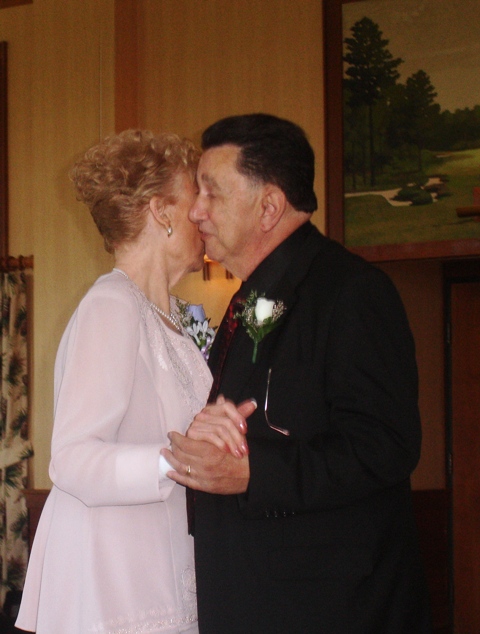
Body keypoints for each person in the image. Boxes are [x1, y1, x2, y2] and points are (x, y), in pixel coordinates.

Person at [163, 114, 432, 633]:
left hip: (332, 608)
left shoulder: (351, 291)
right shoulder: (254, 296)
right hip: (259, 597)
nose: (196, 210)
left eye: (212, 192)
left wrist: (254, 473)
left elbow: (386, 446)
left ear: (269, 206)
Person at [15, 129, 252, 634]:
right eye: (195, 197)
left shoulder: (173, 320)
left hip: (161, 569)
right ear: (161, 211)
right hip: (114, 582)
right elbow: (73, 459)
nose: (204, 212)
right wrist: (180, 460)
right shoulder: (111, 305)